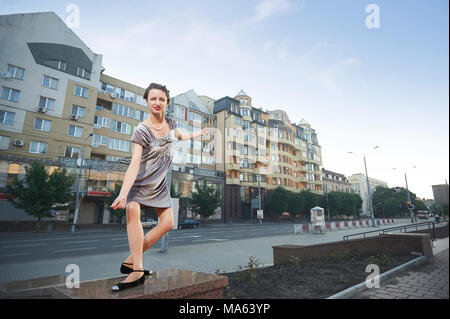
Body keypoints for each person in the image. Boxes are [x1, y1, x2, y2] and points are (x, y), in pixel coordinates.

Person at [110, 83, 208, 291]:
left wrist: (199, 134)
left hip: (160, 184)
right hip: (142, 182)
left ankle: (130, 259)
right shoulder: (142, 130)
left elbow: (181, 136)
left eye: (161, 99)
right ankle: (137, 270)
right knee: (132, 209)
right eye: (153, 99)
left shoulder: (171, 123)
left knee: (167, 223)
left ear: (167, 103)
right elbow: (134, 163)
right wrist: (123, 193)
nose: (157, 102)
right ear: (146, 101)